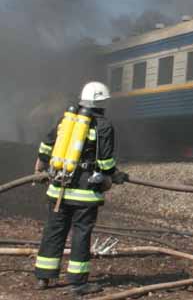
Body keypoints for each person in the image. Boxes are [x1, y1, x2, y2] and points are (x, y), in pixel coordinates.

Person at [33, 82, 127, 296]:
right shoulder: (103, 125)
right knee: (81, 234)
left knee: (54, 231)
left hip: (58, 187)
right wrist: (116, 175)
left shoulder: (67, 119)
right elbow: (105, 162)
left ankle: (43, 276)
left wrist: (41, 164)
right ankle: (78, 282)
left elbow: (47, 145)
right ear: (103, 101)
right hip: (85, 194)